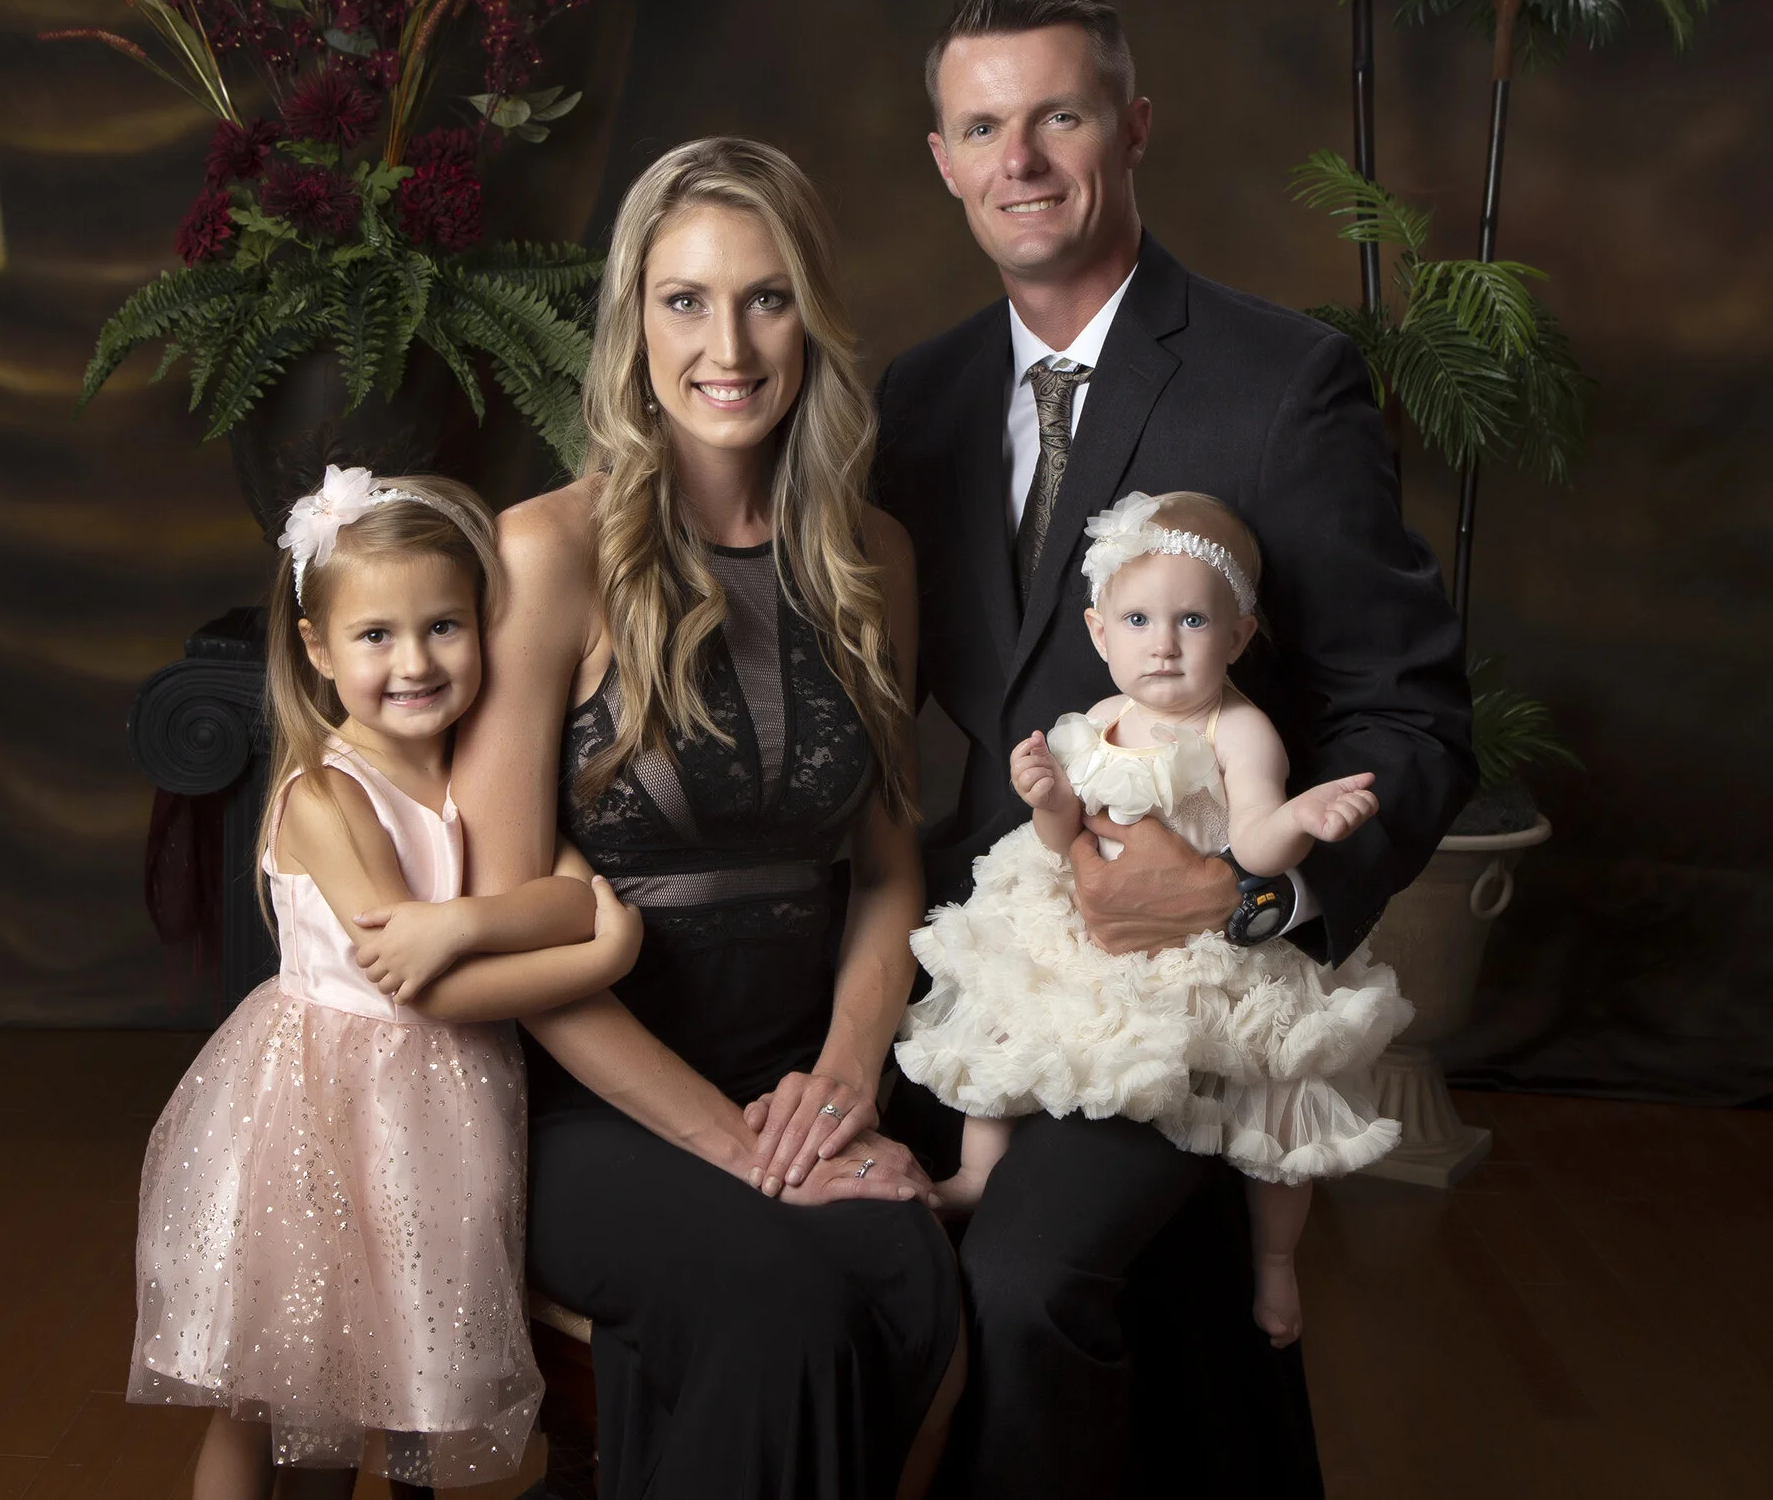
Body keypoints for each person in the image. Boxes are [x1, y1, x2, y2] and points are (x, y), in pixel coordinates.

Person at [871, 0, 1474, 1497]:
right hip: (981, 952)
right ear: (942, 159)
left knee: (1022, 1283)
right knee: (802, 1233)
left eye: (1059, 118)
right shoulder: (918, 400)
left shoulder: (1283, 382)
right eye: (982, 128)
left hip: (1186, 987)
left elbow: (1409, 716)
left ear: (1133, 128)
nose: (1020, 160)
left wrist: (1251, 893)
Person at [401, 136, 964, 1500]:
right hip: (586, 1099)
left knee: (916, 1279)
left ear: (810, 318)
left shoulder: (876, 558)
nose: (728, 345)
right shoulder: (546, 552)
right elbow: (511, 935)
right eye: (685, 300)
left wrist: (840, 1088)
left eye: (765, 298)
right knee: (782, 1315)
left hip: (801, 1070)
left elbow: (887, 873)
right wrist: (735, 1143)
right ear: (633, 324)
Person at [127, 466, 644, 1500]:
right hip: (318, 1119)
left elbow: (561, 896)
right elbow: (421, 980)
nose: (414, 662)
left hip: (434, 1126)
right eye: (376, 636)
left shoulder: (477, 773)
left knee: (376, 1390)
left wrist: (463, 921)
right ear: (318, 649)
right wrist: (604, 958)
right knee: (272, 1398)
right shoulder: (327, 795)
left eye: (443, 627)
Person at [897, 488, 1415, 1348]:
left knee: (1279, 1095)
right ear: (1100, 633)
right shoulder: (1100, 720)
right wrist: (1047, 796)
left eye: (1192, 622)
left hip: (1195, 937)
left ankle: (1276, 1259)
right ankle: (977, 1173)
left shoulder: (1240, 731)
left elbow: (1254, 843)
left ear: (1239, 635)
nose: (1163, 644)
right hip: (1087, 918)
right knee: (1006, 1009)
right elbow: (1063, 837)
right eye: (1138, 620)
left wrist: (1302, 818)